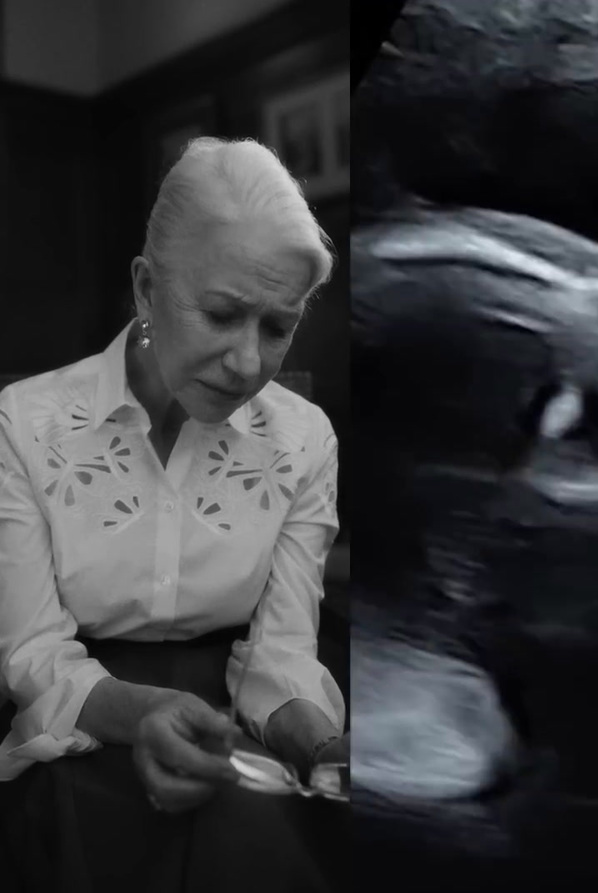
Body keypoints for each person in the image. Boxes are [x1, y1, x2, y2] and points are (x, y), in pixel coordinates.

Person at [0, 137, 347, 891]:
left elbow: (282, 650)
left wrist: (322, 747)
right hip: (75, 724)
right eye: (223, 314)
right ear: (146, 288)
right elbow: (30, 652)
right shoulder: (19, 425)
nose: (249, 362)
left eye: (278, 326)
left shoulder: (305, 439)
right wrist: (141, 709)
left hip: (235, 728)